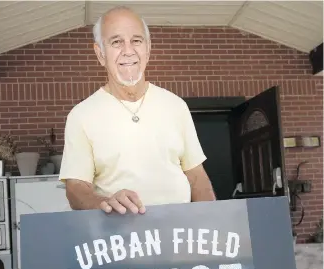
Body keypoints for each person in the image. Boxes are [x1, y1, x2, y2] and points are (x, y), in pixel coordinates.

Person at [59, 6, 216, 215]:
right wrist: (105, 203)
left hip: (180, 235)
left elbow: (197, 177)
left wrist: (215, 220)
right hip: (119, 238)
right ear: (100, 54)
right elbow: (76, 189)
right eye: (116, 42)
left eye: (136, 40)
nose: (128, 50)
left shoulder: (176, 106)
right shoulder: (81, 116)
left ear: (148, 48)